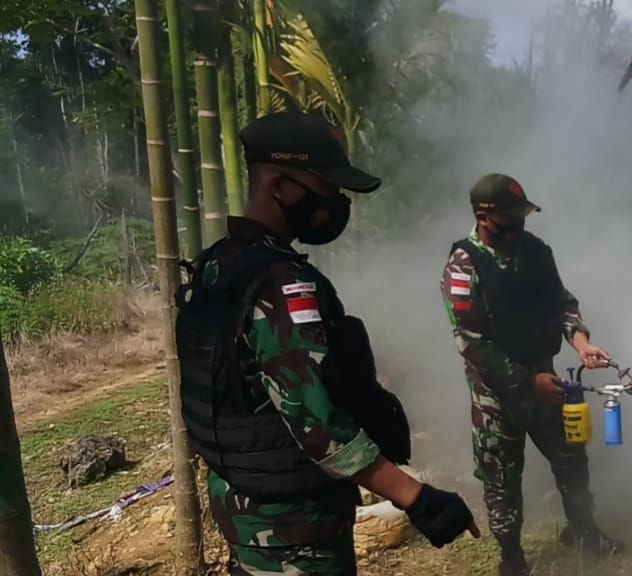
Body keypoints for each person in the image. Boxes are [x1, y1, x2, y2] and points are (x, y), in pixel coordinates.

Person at [175, 111, 479, 575]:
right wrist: (416, 497)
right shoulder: (280, 283)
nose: (336, 201)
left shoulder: (220, 262)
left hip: (245, 510)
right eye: (326, 187)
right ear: (279, 185)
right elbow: (317, 424)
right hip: (295, 530)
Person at [440, 173, 623, 576]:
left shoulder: (536, 251)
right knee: (502, 480)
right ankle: (512, 557)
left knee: (572, 460)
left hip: (547, 381)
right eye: (510, 218)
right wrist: (526, 381)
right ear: (483, 217)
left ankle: (583, 531)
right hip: (497, 396)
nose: (519, 227)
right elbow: (471, 342)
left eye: (522, 217)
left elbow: (563, 303)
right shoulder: (463, 265)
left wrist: (580, 340)